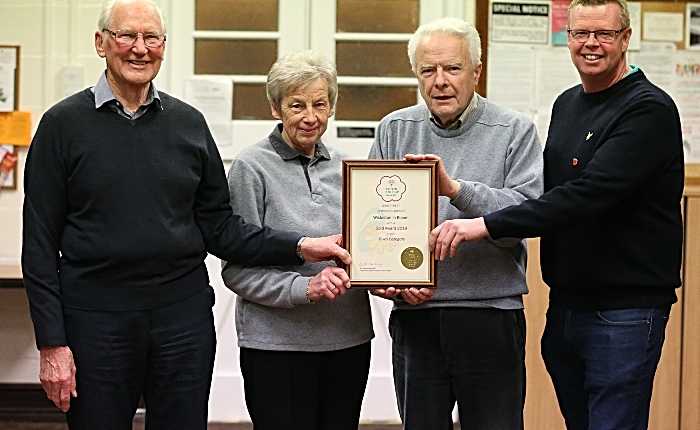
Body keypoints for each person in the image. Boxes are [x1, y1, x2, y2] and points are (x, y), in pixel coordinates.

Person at [21, 1, 350, 429]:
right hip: (95, 321)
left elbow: (221, 229)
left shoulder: (188, 124)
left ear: (163, 47)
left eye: (151, 38)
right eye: (127, 36)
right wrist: (52, 344)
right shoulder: (62, 125)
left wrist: (302, 246)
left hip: (183, 320)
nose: (140, 49)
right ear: (101, 43)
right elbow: (40, 244)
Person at [429, 1, 684, 429]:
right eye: (581, 33)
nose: (591, 44)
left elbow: (586, 196)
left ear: (625, 38)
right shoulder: (568, 104)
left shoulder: (648, 110)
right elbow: (541, 192)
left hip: (624, 312)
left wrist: (483, 224)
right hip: (565, 305)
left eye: (603, 34)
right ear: (568, 38)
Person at [368, 17, 544, 429]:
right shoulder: (394, 129)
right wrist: (380, 276)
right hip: (416, 316)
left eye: (452, 68)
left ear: (477, 71)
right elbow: (375, 221)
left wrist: (454, 189)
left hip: (489, 315)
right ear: (417, 75)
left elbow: (526, 213)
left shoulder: (514, 130)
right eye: (428, 70)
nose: (440, 81)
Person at [221, 50, 374, 430]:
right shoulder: (250, 167)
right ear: (276, 108)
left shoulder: (350, 169)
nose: (310, 117)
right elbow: (236, 270)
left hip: (347, 340)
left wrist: (393, 277)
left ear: (332, 107)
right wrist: (305, 287)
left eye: (320, 104)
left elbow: (370, 249)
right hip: (274, 347)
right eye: (297, 105)